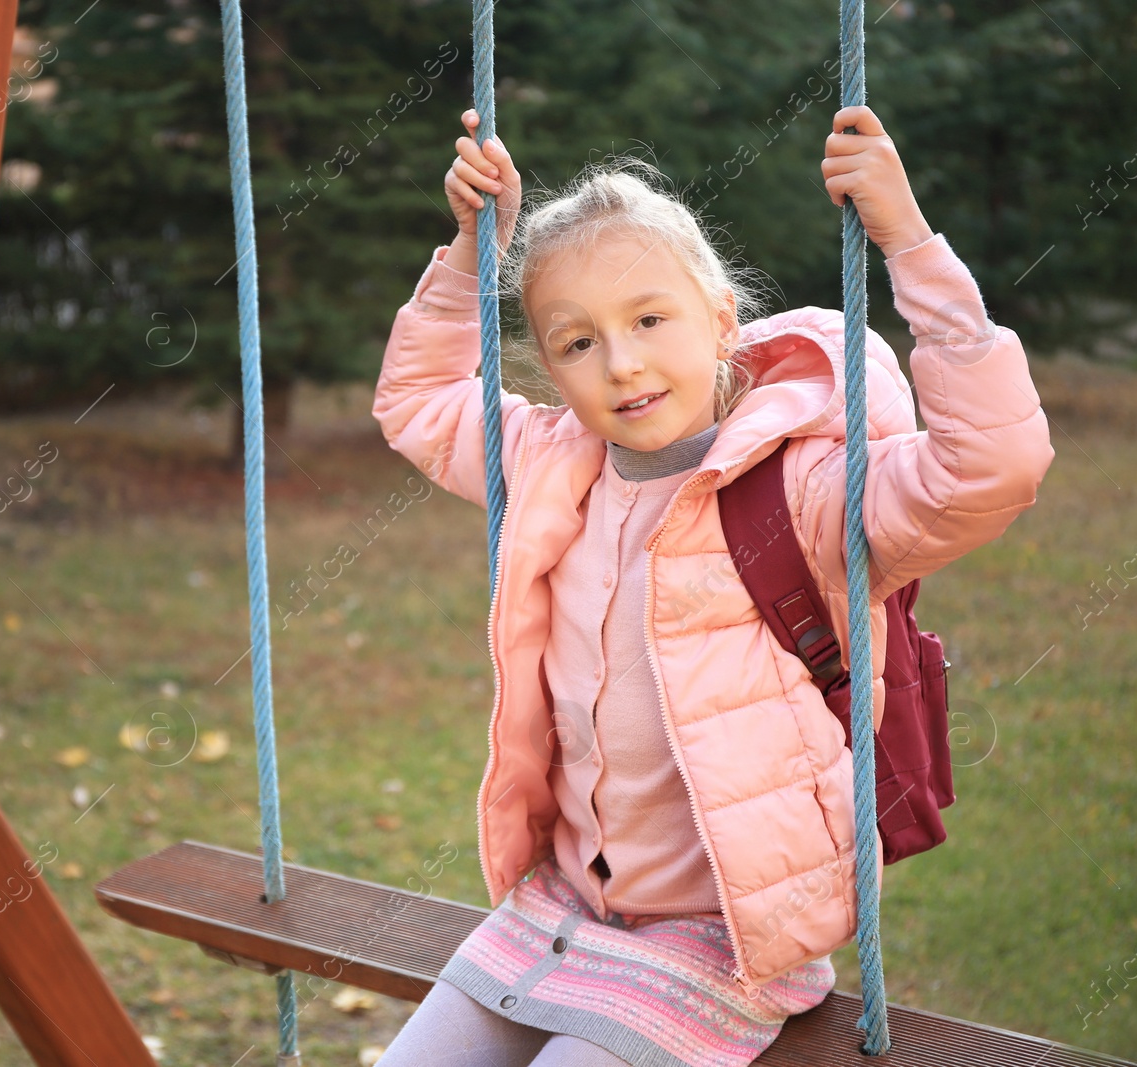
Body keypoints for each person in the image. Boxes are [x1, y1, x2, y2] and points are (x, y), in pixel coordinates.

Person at [369, 106, 1055, 1067]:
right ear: (551, 366)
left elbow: (995, 467)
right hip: (564, 906)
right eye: (576, 342)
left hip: (725, 933)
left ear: (723, 317)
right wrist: (466, 256)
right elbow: (416, 399)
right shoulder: (548, 462)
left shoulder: (809, 487)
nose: (623, 362)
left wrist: (904, 236)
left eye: (650, 318)